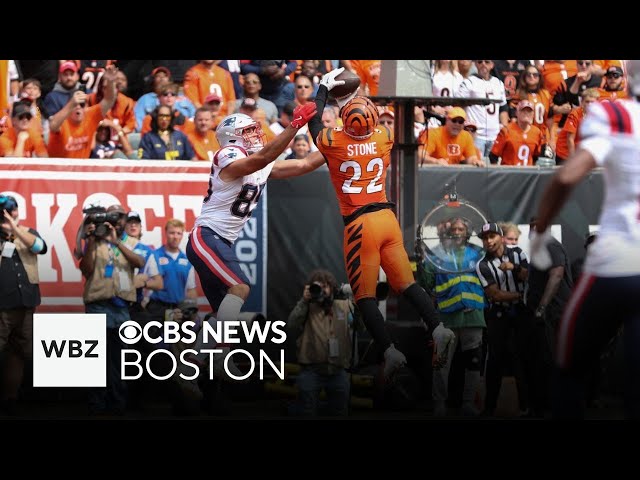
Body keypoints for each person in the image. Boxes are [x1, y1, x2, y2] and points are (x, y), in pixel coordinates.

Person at [307, 67, 455, 382]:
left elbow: (314, 118)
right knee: (407, 284)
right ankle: (438, 328)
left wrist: (323, 87)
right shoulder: (384, 137)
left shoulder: (334, 141)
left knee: (364, 297)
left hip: (360, 225)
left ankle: (389, 351)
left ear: (345, 122)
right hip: (388, 219)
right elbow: (359, 118)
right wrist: (351, 97)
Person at [530, 59, 640, 419]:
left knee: (568, 362)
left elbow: (566, 177)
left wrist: (540, 231)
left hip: (618, 261)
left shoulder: (616, 114)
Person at [185, 101, 323, 381]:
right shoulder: (229, 154)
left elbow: (305, 163)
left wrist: (335, 145)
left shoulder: (257, 161)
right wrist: (294, 126)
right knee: (239, 288)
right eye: (248, 131)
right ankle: (220, 353)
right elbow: (258, 161)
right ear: (233, 137)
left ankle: (194, 363)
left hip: (221, 241)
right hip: (207, 236)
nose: (256, 135)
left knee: (222, 312)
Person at [417, 217, 485, 417]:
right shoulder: (437, 256)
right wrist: (422, 261)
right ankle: (439, 404)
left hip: (474, 317)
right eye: (453, 229)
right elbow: (426, 283)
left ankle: (468, 403)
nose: (456, 232)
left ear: (467, 232)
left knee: (473, 363)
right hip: (447, 317)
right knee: (441, 364)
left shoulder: (478, 254)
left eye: (460, 229)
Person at [0, 195, 47, 415]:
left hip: (26, 302)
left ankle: (11, 399)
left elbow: (40, 247)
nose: (9, 214)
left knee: (18, 353)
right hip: (2, 305)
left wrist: (14, 230)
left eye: (12, 210)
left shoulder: (28, 232)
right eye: (5, 211)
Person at [287, 269, 355, 416]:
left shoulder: (344, 306)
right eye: (317, 287)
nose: (322, 290)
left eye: (325, 286)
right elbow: (291, 325)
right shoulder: (307, 307)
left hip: (338, 372)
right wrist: (303, 301)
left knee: (339, 412)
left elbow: (360, 326)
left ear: (332, 288)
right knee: (307, 411)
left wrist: (358, 304)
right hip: (311, 371)